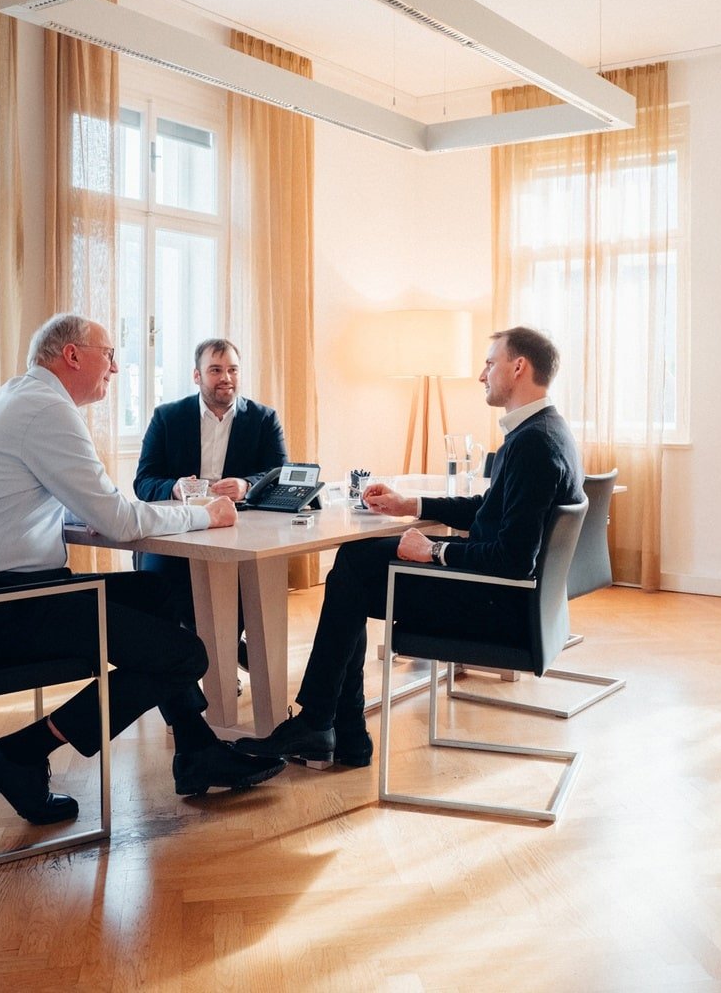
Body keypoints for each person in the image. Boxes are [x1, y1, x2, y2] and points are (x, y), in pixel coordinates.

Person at [0, 314, 285, 827]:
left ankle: (196, 748)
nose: (116, 367)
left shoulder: (24, 398)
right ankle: (21, 752)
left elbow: (80, 505)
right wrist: (205, 514)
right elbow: (120, 518)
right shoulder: (45, 410)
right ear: (72, 355)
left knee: (157, 594)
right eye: (108, 353)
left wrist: (94, 514)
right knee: (185, 655)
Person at [233, 326, 584, 769]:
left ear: (519, 367)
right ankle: (338, 731)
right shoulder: (544, 430)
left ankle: (325, 724)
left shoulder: (534, 443)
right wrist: (409, 504)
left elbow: (513, 560)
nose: (482, 375)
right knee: (356, 565)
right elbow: (489, 509)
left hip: (496, 607)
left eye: (490, 363)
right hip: (510, 597)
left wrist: (434, 553)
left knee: (354, 570)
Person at [133, 338, 287, 661]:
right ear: (197, 376)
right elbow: (143, 481)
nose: (226, 378)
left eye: (232, 369)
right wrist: (174, 488)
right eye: (215, 370)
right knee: (158, 585)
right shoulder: (167, 417)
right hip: (177, 531)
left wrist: (248, 485)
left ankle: (222, 655)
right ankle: (183, 665)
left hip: (238, 531)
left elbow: (281, 474)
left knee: (253, 580)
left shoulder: (264, 419)